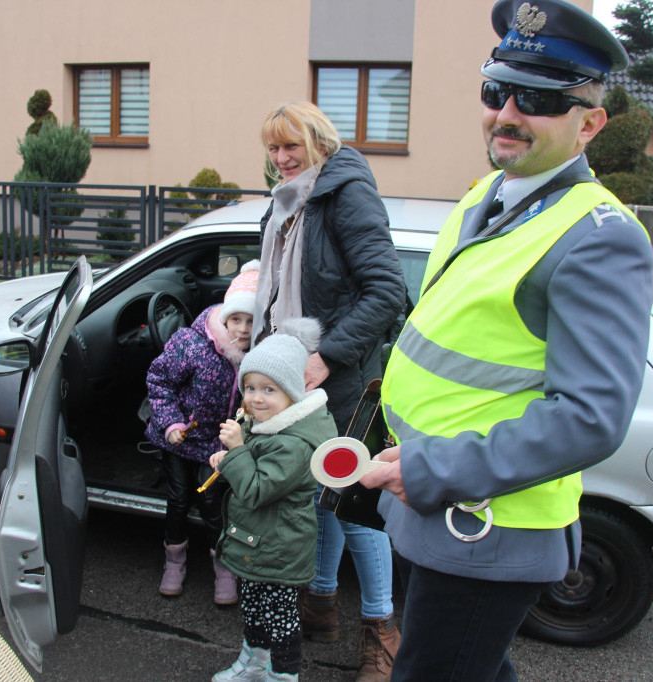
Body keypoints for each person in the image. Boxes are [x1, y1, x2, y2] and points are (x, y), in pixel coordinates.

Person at [359, 1, 653, 679]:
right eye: (497, 90)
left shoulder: (599, 239)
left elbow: (591, 418)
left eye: (542, 98)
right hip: (425, 503)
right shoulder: (491, 192)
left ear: (590, 123)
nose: (508, 113)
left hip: (483, 524)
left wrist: (431, 469)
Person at [254, 101, 406, 679]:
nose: (281, 158)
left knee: (355, 503)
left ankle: (380, 632)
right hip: (299, 374)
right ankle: (320, 606)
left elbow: (386, 291)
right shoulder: (289, 202)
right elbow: (278, 289)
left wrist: (327, 355)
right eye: (273, 148)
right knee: (318, 493)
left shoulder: (345, 193)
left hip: (339, 379)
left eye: (291, 146)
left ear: (319, 142)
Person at [209, 318, 338, 682]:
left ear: (292, 394)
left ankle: (283, 675)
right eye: (250, 387)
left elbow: (256, 490)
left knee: (281, 620)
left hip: (280, 550)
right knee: (253, 610)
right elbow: (250, 465)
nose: (256, 398)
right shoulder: (266, 426)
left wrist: (235, 452)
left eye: (269, 389)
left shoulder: (295, 444)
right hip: (257, 544)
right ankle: (253, 663)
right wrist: (230, 459)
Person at [144, 260, 260, 605]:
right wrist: (172, 423)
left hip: (220, 444)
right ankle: (174, 562)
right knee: (178, 499)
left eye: (251, 321)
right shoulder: (192, 343)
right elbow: (159, 380)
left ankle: (224, 567)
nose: (242, 328)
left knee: (214, 504)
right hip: (182, 438)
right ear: (225, 315)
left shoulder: (258, 355)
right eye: (236, 318)